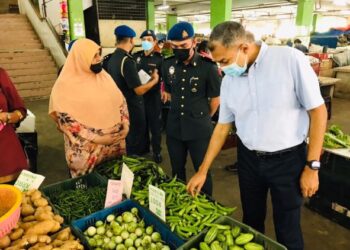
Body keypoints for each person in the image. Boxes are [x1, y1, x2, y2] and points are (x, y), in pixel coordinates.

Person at [187, 21, 327, 250]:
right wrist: (202, 170)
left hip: (288, 161)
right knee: (251, 223)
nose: (221, 68)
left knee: (288, 228)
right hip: (249, 160)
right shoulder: (230, 80)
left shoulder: (289, 60)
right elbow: (222, 127)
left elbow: (318, 112)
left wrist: (312, 166)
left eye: (224, 61)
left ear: (244, 47)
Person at [49, 38, 129, 177]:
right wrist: (98, 139)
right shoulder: (64, 85)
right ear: (81, 57)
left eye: (99, 54)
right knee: (89, 191)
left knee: (113, 181)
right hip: (87, 153)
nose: (99, 59)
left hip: (113, 147)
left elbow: (121, 102)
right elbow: (66, 121)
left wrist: (126, 124)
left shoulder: (105, 77)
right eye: (94, 55)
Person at [162, 22, 221, 196]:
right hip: (174, 128)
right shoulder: (168, 65)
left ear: (194, 42)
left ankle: (207, 204)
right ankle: (180, 201)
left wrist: (203, 117)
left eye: (183, 46)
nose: (178, 49)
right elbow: (169, 91)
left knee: (202, 171)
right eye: (174, 46)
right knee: (176, 170)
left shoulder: (208, 67)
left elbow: (215, 100)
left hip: (199, 130)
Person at [107, 25, 160, 156]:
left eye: (149, 39)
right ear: (131, 40)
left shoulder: (112, 58)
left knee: (150, 129)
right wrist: (154, 80)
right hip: (133, 107)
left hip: (124, 104)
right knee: (135, 140)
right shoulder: (127, 60)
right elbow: (139, 91)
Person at [133, 30, 163, 163]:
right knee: (141, 124)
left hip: (153, 97)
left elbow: (164, 80)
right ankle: (143, 149)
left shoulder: (159, 59)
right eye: (144, 39)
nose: (146, 42)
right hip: (139, 97)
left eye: (149, 39)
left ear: (155, 41)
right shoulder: (135, 57)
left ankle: (156, 151)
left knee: (155, 126)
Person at [0, 68, 28, 183]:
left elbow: (20, 110)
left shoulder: (0, 74)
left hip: (7, 155)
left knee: (17, 197)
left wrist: (8, 116)